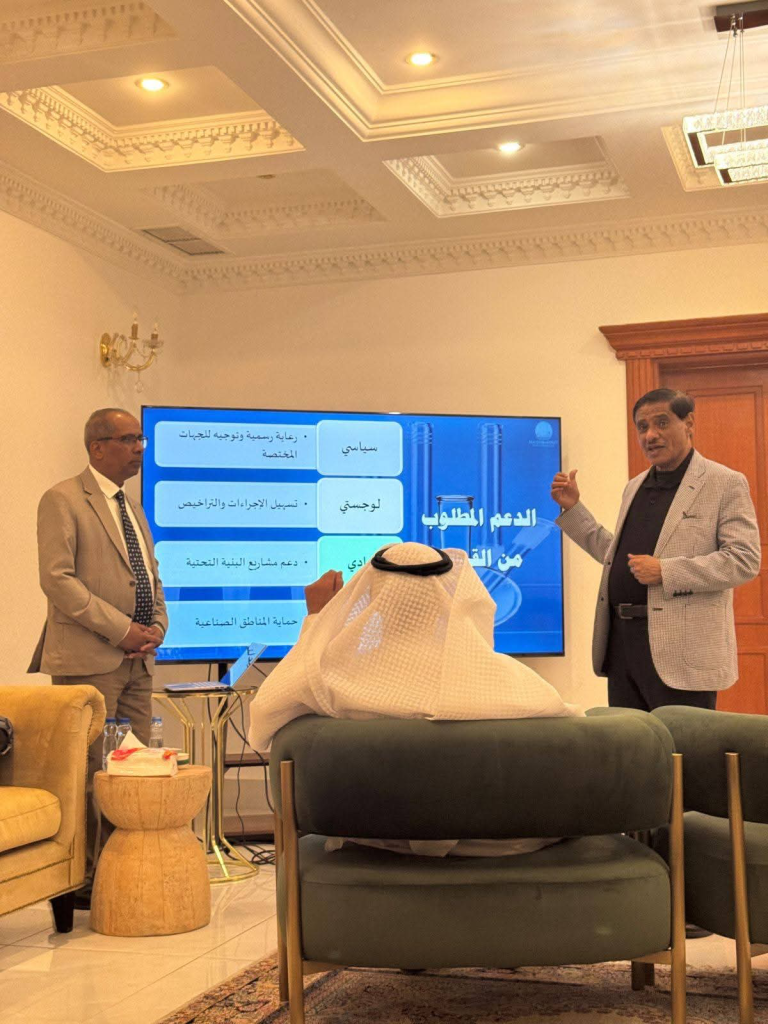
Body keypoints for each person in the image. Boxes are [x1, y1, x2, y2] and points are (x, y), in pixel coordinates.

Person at [249, 541, 579, 857]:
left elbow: (267, 715)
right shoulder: (513, 683)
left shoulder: (335, 683)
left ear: (371, 598)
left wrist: (318, 620)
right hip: (507, 847)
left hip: (378, 845)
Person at [28, 408, 167, 904]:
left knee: (133, 771)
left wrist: (157, 626)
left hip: (138, 662)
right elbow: (57, 580)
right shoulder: (63, 499)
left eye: (140, 439)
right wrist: (121, 630)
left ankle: (119, 871)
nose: (139, 449)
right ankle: (82, 878)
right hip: (89, 660)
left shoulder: (132, 506)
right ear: (97, 447)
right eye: (129, 439)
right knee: (91, 775)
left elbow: (149, 575)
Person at [552, 388, 760, 711]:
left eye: (662, 423)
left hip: (682, 655)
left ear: (688, 423)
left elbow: (744, 560)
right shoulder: (634, 486)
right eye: (642, 426)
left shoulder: (725, 482)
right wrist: (574, 509)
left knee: (682, 743)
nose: (650, 435)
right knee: (631, 741)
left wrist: (666, 571)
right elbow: (616, 558)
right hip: (622, 647)